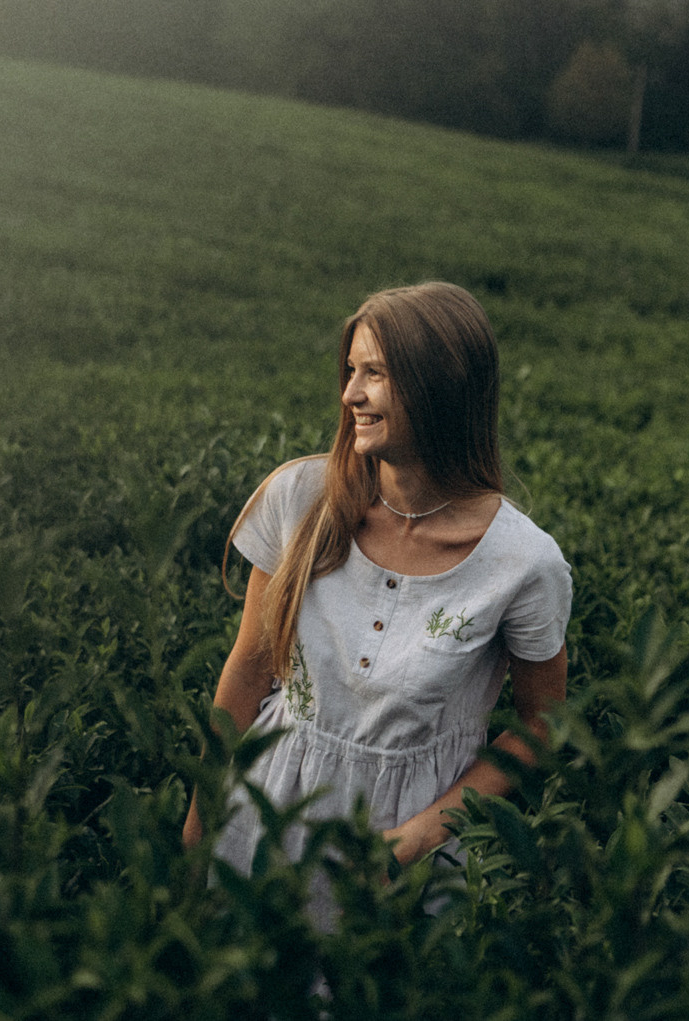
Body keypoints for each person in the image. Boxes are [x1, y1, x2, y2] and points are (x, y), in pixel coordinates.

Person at [181, 281, 572, 912]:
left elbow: (543, 724)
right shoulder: (301, 499)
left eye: (376, 374)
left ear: (440, 386)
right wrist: (197, 826)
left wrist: (419, 837)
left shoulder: (524, 563)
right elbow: (249, 667)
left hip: (405, 855)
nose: (350, 394)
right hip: (264, 813)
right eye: (350, 370)